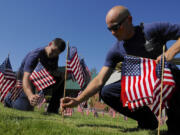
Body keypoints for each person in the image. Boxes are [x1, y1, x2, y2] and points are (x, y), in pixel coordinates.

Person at [61, 5, 180, 134]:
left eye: (116, 27)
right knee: (107, 91)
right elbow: (99, 80)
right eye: (109, 29)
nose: (113, 32)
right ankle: (148, 122)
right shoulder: (116, 50)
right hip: (141, 83)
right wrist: (79, 100)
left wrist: (171, 52)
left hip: (165, 76)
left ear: (129, 20)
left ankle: (175, 125)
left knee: (173, 78)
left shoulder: (151, 30)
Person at [4, 38, 66, 114]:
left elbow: (53, 71)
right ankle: (9, 99)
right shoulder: (35, 55)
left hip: (39, 79)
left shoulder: (55, 57)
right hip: (24, 80)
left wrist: (61, 75)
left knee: (61, 79)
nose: (53, 55)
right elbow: (26, 78)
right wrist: (30, 96)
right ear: (50, 44)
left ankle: (52, 110)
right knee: (25, 109)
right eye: (53, 51)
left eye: (57, 53)